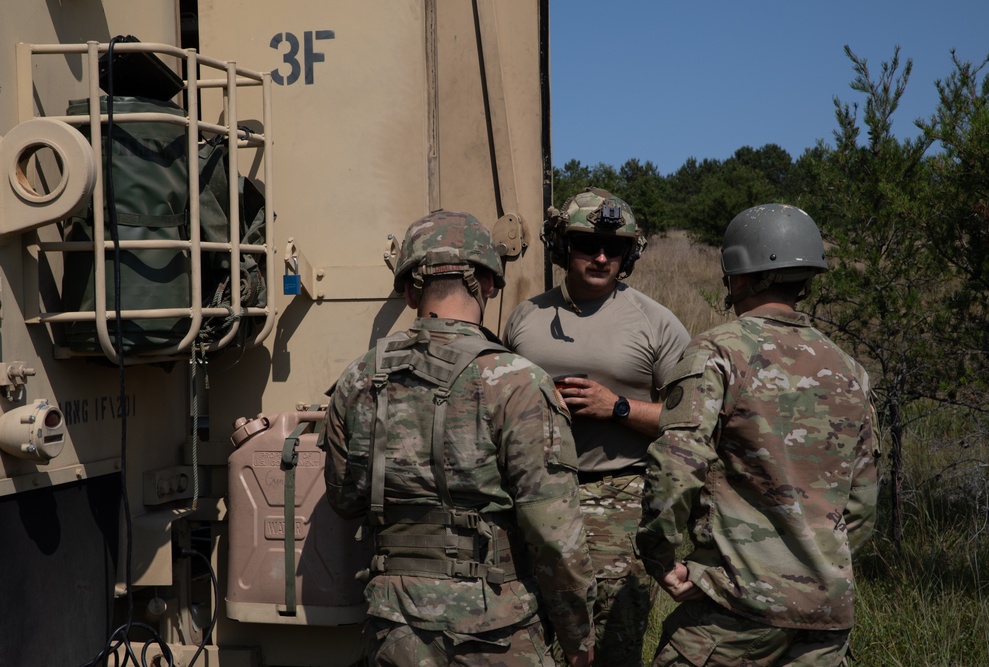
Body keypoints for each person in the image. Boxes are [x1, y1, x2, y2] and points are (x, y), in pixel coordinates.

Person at [319, 210, 596, 667]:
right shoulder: (516, 380)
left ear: (409, 290)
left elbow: (345, 500)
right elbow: (555, 536)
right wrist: (578, 639)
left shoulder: (358, 377)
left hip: (394, 626)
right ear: (487, 283)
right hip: (494, 630)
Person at [637, 203, 880, 666]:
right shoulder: (851, 371)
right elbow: (862, 507)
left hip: (734, 610)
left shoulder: (716, 352)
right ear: (806, 278)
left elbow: (676, 467)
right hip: (826, 618)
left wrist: (660, 557)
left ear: (738, 274)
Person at [503, 188, 691, 666]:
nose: (602, 256)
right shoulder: (526, 317)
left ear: (630, 255)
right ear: (564, 247)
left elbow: (690, 422)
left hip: (620, 501)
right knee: (534, 638)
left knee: (614, 639)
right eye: (588, 244)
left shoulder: (657, 323)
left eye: (616, 248)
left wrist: (619, 408)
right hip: (531, 498)